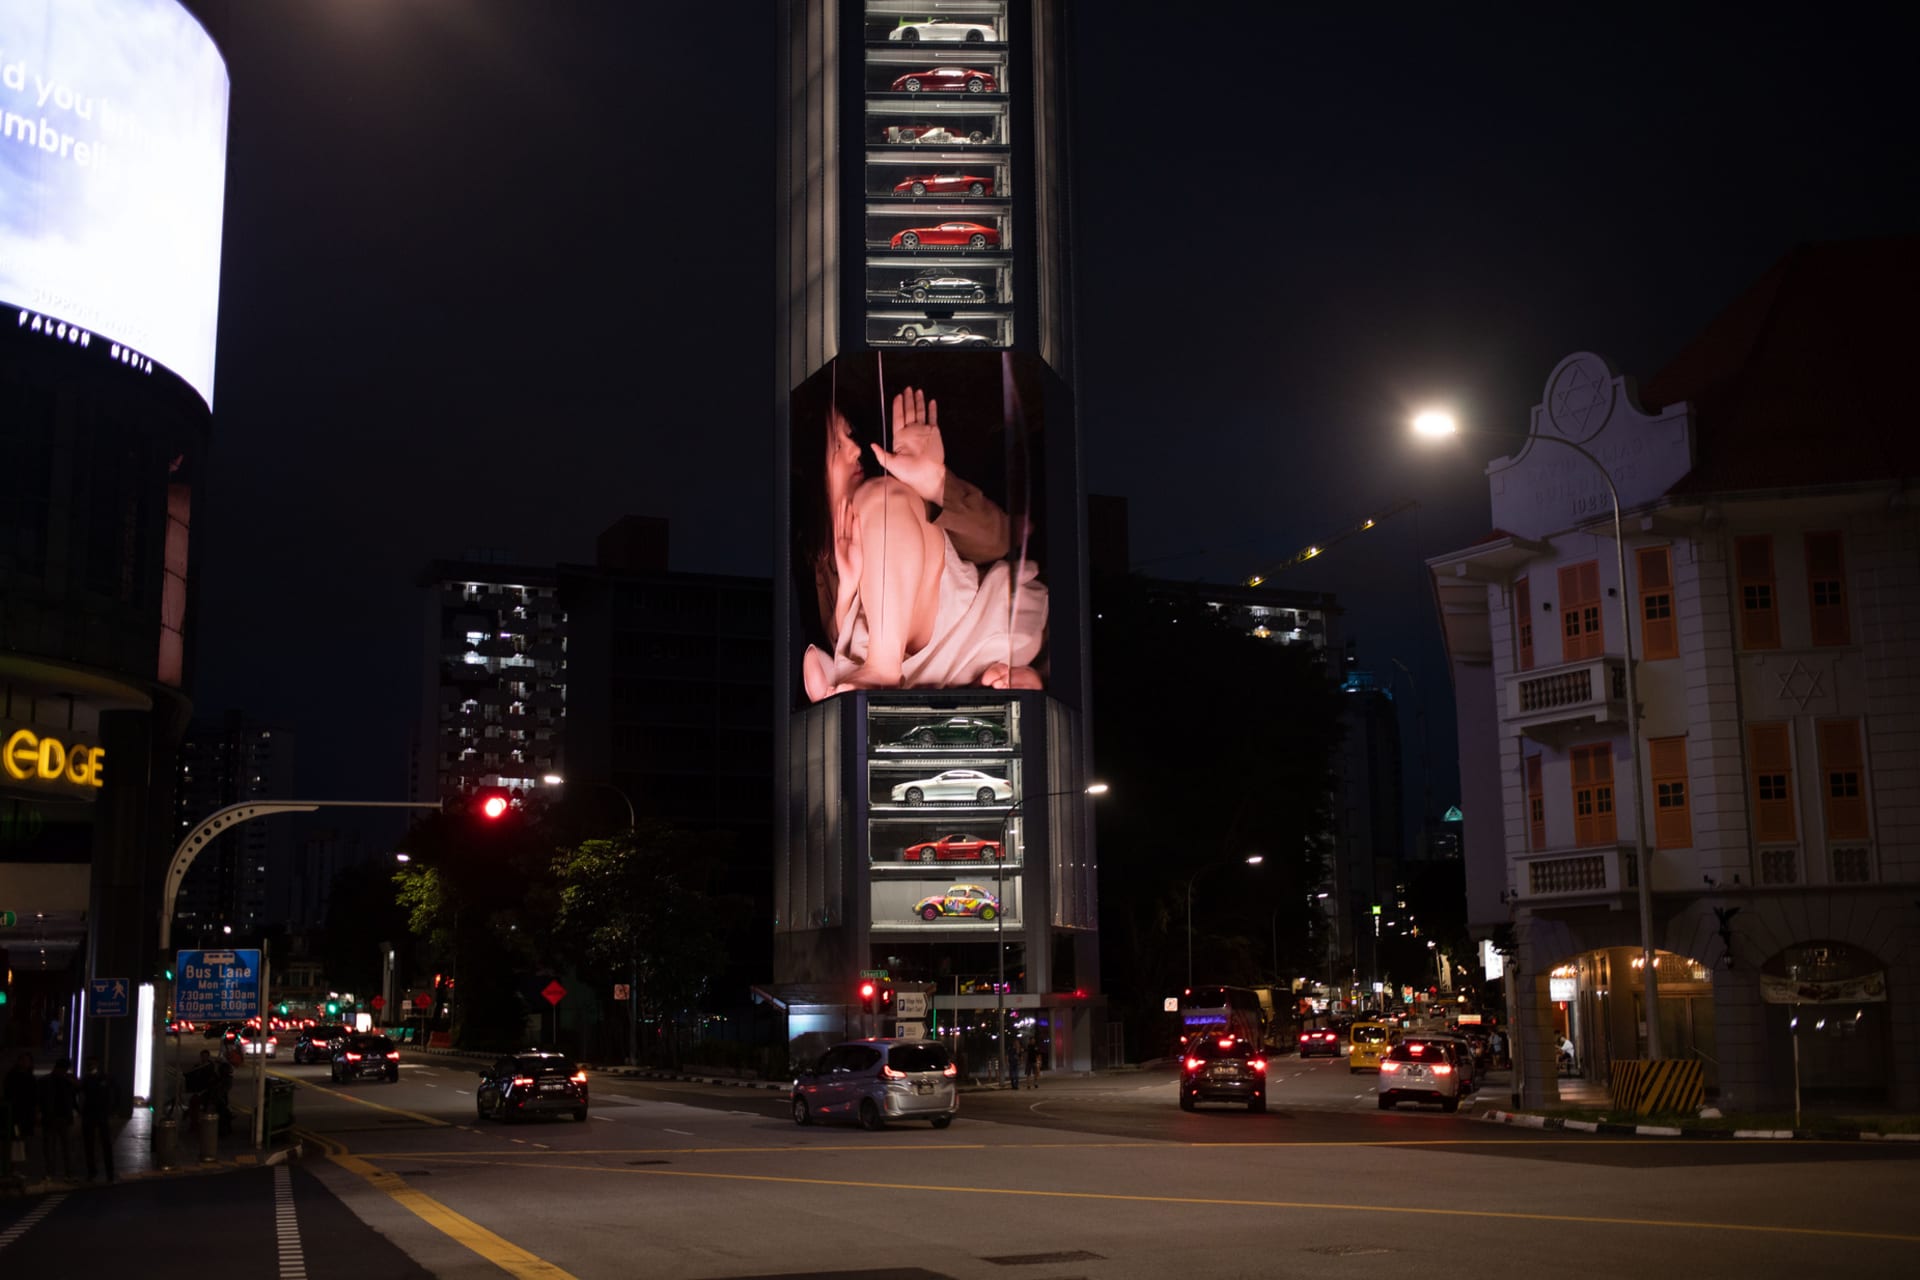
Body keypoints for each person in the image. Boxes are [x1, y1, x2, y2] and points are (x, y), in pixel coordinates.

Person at [799, 383, 1047, 701]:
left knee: (882, 496)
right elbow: (841, 637)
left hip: (966, 630)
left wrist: (934, 482)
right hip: (915, 675)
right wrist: (847, 588)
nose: (855, 450)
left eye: (851, 436)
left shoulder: (893, 497)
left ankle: (883, 668)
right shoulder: (821, 558)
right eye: (837, 445)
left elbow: (1000, 540)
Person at [37, 1058, 77, 1181]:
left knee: (56, 1147)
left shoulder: (50, 1081)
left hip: (57, 1117)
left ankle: (55, 1173)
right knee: (59, 1147)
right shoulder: (49, 1081)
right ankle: (63, 1173)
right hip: (56, 1117)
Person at [79, 1059, 115, 1183]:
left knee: (94, 1144)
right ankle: (107, 1173)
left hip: (94, 1113)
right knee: (102, 1144)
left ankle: (95, 1172)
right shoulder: (100, 1078)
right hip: (98, 1113)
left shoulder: (89, 1079)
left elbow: (83, 1091)